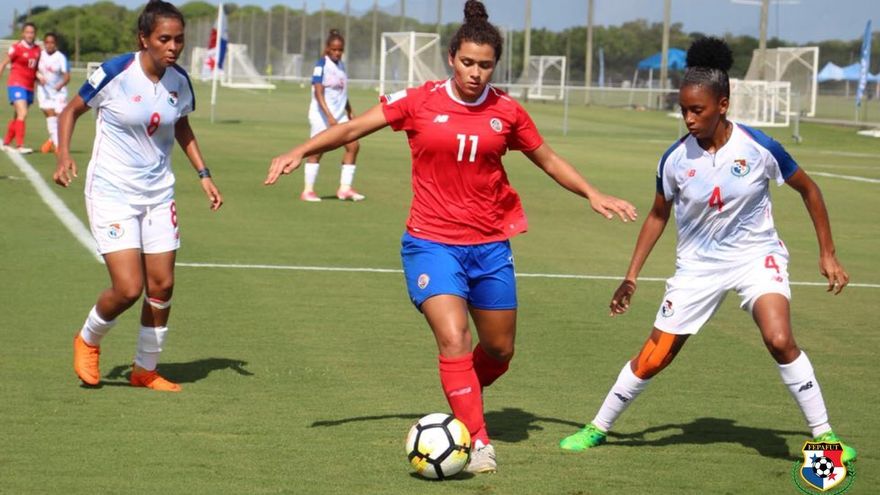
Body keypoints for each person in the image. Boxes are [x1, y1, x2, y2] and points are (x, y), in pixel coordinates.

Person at [266, 0, 636, 473]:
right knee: (455, 338)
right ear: (451, 58)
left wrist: (592, 193)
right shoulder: (418, 101)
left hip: (490, 245)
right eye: (467, 62)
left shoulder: (507, 110)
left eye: (485, 65)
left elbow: (547, 158)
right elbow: (354, 127)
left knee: (499, 351)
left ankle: (462, 394)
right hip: (431, 243)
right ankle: (477, 442)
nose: (475, 73)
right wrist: (300, 150)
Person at [559, 37, 857, 464]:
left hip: (756, 256)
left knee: (779, 339)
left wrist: (827, 253)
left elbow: (809, 189)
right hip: (698, 267)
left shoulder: (759, 147)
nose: (688, 118)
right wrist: (631, 276)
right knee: (654, 358)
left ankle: (825, 437)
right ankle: (597, 427)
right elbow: (657, 215)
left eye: (697, 110)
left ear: (723, 104)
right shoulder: (674, 160)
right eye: (683, 109)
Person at [53, 0, 223, 392]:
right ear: (143, 38)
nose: (173, 47)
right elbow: (70, 111)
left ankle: (145, 369)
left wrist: (204, 174)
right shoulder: (116, 72)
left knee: (161, 286)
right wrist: (63, 155)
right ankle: (88, 340)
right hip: (112, 191)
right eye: (164, 39)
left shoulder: (179, 80)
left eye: (179, 39)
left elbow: (181, 125)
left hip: (158, 194)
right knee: (129, 288)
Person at [300, 28, 364, 202]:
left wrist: (349, 110)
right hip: (322, 116)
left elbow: (342, 92)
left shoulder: (341, 66)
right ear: (328, 48)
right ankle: (308, 191)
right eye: (334, 49)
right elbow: (318, 92)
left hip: (339, 116)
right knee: (316, 151)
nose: (337, 53)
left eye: (340, 50)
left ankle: (345, 189)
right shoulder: (321, 65)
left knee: (353, 146)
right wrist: (329, 115)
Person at [0, 22, 40, 153]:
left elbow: (35, 69)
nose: (29, 35)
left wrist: (39, 78)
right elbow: (3, 64)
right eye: (27, 32)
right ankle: (20, 145)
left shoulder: (37, 50)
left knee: (18, 115)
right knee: (23, 113)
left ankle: (6, 142)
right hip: (16, 84)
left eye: (32, 32)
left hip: (29, 86)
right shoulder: (16, 48)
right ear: (23, 33)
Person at [36, 32, 70, 154]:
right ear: (44, 43)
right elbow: (33, 70)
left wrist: (60, 85)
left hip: (59, 93)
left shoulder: (60, 57)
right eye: (47, 42)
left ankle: (51, 141)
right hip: (44, 92)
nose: (49, 45)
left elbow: (67, 76)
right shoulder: (39, 55)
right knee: (50, 116)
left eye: (52, 43)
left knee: (61, 119)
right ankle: (58, 146)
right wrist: (39, 76)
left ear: (55, 44)